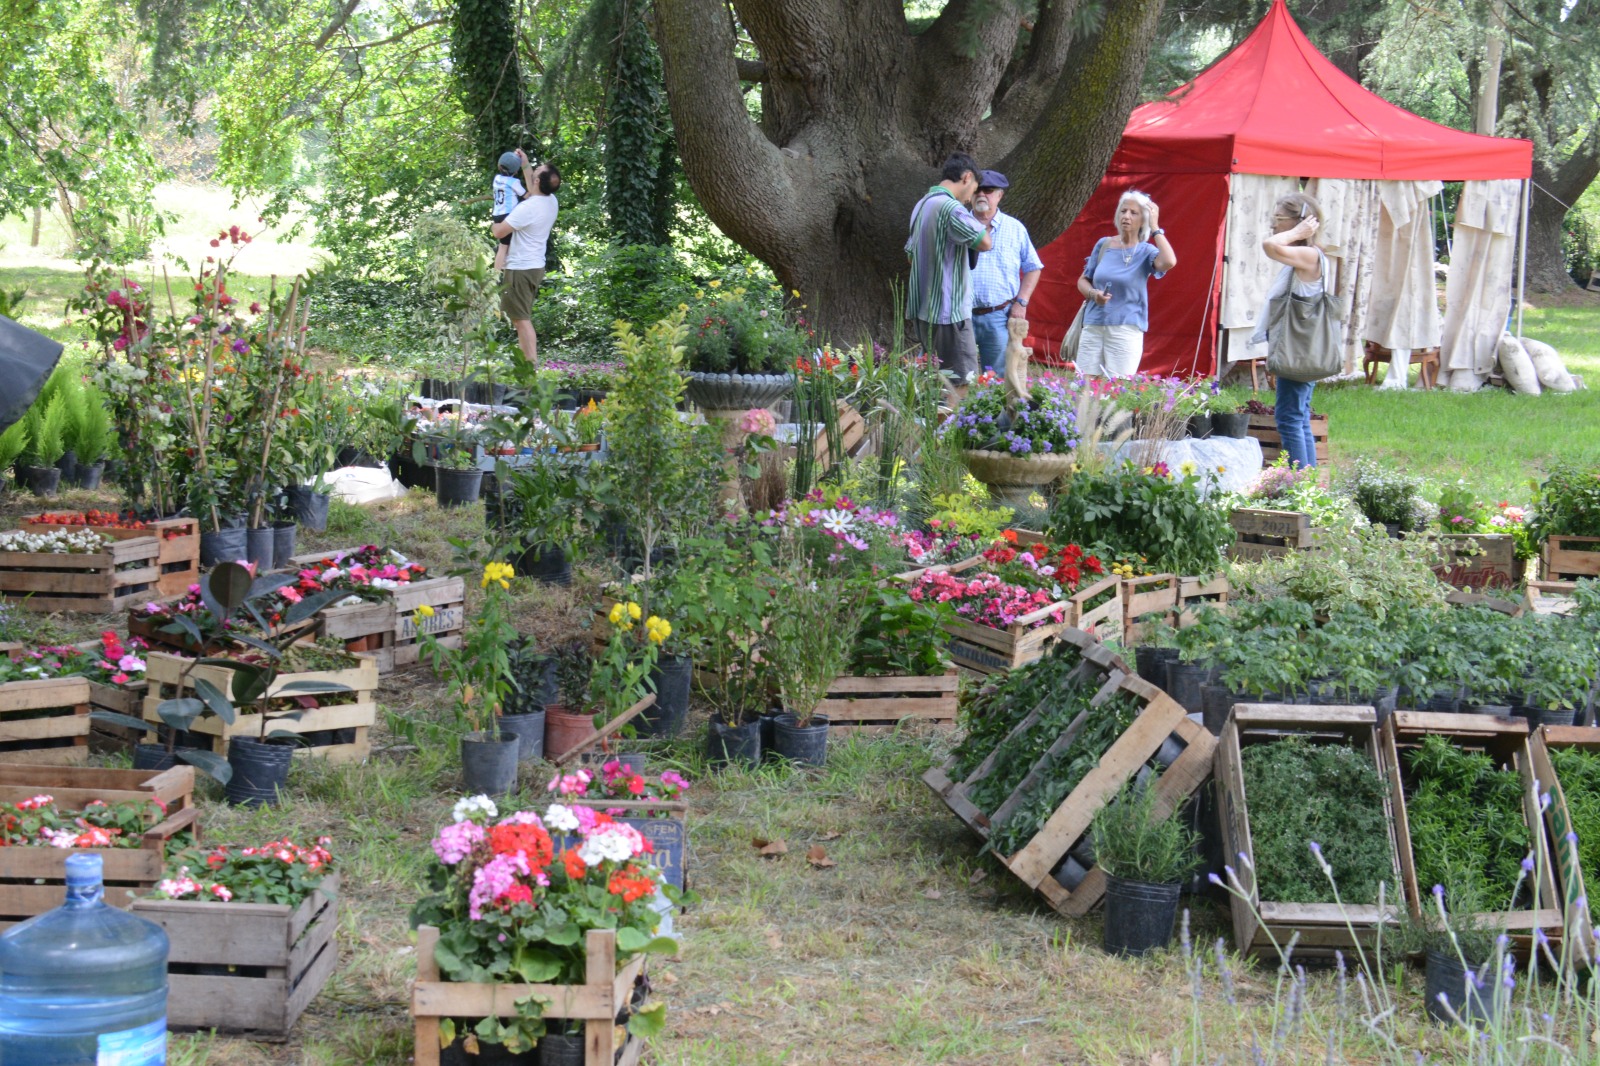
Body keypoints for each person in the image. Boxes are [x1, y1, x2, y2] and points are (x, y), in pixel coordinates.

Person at [905, 152, 993, 394]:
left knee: (937, 382)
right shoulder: (950, 207)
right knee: (960, 384)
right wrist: (978, 215)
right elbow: (985, 242)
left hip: (924, 311)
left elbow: (910, 256)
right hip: (949, 313)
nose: (971, 198)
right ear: (966, 177)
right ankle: (950, 431)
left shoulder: (921, 205)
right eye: (974, 189)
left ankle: (932, 430)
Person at [1254, 191, 1326, 468]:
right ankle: (1307, 486)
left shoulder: (1310, 255)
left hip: (1298, 350)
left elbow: (1269, 245)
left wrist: (1298, 231)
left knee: (1289, 418)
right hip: (1300, 347)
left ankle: (1299, 487)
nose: (1273, 225)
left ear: (1301, 222)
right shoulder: (1307, 256)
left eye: (1278, 218)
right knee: (1299, 416)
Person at [1075, 190, 1176, 378]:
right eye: (1123, 211)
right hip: (1094, 325)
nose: (1126, 217)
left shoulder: (1146, 251)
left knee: (1116, 388)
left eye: (1133, 213)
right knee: (1083, 385)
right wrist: (1093, 295)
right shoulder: (1104, 244)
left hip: (1125, 328)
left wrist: (1156, 228)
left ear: (1143, 220)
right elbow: (1083, 281)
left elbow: (1169, 262)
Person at [969, 170, 1045, 375]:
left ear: (999, 195)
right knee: (958, 377)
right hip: (960, 315)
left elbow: (1033, 267)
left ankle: (992, 409)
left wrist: (1021, 302)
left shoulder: (1015, 229)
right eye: (977, 190)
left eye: (989, 190)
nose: (982, 194)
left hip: (998, 316)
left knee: (997, 379)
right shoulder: (958, 224)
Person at [491, 162, 561, 364]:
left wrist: (495, 217)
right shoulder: (550, 200)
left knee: (521, 320)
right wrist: (525, 162)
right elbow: (533, 188)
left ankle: (530, 370)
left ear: (537, 181)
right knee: (519, 318)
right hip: (534, 265)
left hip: (520, 268)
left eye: (536, 172)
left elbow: (499, 232)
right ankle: (527, 366)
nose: (533, 172)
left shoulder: (528, 208)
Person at [491, 149, 534, 272]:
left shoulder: (497, 178)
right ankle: (497, 273)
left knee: (503, 246)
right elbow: (526, 195)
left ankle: (497, 272)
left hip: (497, 214)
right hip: (508, 215)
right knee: (504, 247)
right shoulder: (513, 182)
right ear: (516, 171)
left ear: (499, 166)